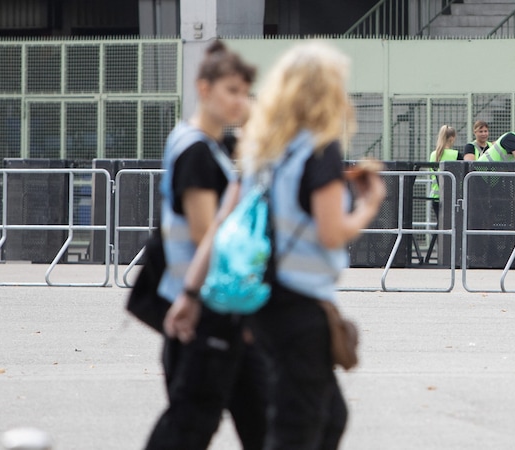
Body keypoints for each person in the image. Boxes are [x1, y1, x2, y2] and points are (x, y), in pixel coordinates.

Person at [168, 41, 386, 449]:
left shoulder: (260, 149)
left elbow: (220, 225)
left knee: (329, 416)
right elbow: (332, 232)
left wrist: (191, 293)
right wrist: (369, 204)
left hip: (262, 304)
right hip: (299, 308)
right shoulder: (318, 149)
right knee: (297, 428)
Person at [144, 41, 266, 450]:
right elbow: (206, 236)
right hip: (204, 308)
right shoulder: (196, 152)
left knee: (261, 418)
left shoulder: (203, 144)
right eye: (231, 90)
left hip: (213, 304)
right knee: (191, 423)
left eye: (245, 91)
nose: (240, 101)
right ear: (204, 88)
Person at [429, 125, 463, 216]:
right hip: (451, 195)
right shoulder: (455, 154)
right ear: (452, 138)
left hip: (435, 196)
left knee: (440, 223)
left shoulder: (433, 154)